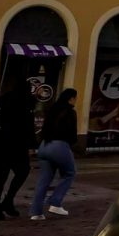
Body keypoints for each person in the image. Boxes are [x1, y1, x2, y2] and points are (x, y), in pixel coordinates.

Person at [0, 80, 36, 221]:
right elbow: (29, 126)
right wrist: (32, 145)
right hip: (16, 146)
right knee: (22, 171)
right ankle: (7, 200)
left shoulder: (2, 101)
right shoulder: (27, 102)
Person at [29, 88, 78, 221]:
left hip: (44, 146)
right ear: (70, 99)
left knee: (43, 180)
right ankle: (55, 202)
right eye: (75, 98)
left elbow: (43, 129)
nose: (75, 101)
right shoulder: (70, 112)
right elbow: (72, 133)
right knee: (69, 173)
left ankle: (36, 212)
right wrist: (72, 143)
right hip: (60, 145)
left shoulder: (52, 110)